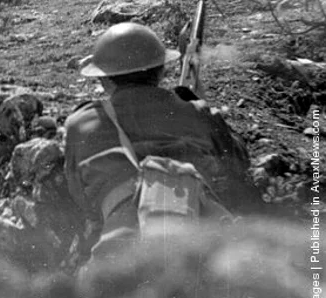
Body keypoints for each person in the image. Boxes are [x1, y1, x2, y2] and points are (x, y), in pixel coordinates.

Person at [64, 22, 264, 263]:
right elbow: (238, 163)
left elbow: (79, 196)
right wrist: (198, 106)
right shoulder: (197, 113)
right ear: (162, 71)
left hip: (123, 248)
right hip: (204, 239)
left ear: (105, 79)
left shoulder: (81, 122)